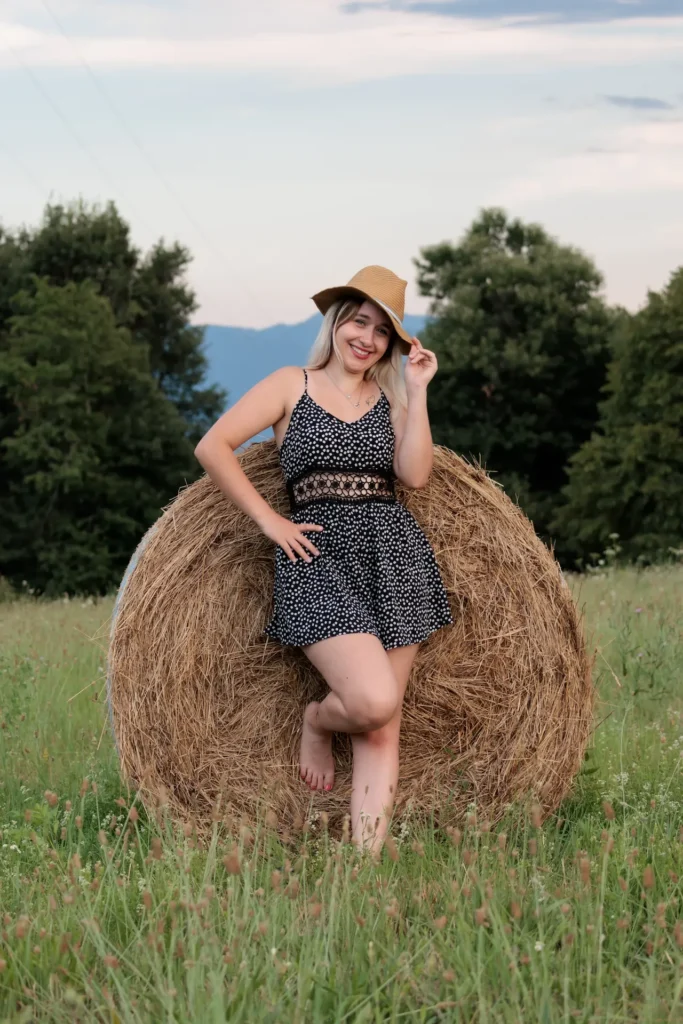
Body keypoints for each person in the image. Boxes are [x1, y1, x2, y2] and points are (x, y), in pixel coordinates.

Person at [194, 266, 452, 854]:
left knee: (383, 729)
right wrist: (270, 520)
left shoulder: (391, 401)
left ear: (392, 344)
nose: (366, 337)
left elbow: (414, 474)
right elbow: (213, 446)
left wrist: (418, 392)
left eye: (382, 331)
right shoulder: (293, 384)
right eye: (358, 321)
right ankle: (317, 719)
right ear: (337, 323)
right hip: (317, 555)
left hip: (395, 557)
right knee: (371, 700)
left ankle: (365, 870)